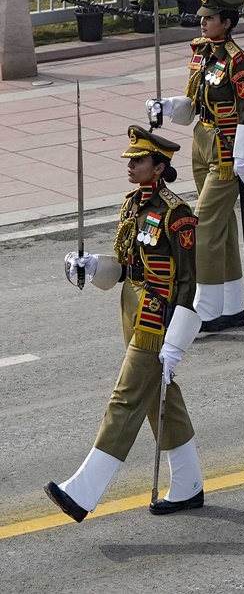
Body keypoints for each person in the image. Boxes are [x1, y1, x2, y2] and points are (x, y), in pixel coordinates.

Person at [49, 127, 206, 524]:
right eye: (130, 160)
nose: (130, 165)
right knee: (159, 400)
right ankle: (188, 485)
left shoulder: (177, 214)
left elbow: (189, 282)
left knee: (125, 399)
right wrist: (93, 266)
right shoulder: (134, 204)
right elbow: (126, 266)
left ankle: (81, 492)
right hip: (130, 305)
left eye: (138, 160)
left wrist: (177, 340)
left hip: (157, 315)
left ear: (159, 165)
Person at [145, 0, 244, 333]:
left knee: (205, 227)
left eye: (209, 18)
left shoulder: (239, 63)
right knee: (221, 229)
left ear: (226, 22)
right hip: (201, 143)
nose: (202, 21)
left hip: (226, 151)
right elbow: (195, 103)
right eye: (202, 17)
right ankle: (232, 306)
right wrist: (166, 106)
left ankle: (206, 309)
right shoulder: (201, 54)